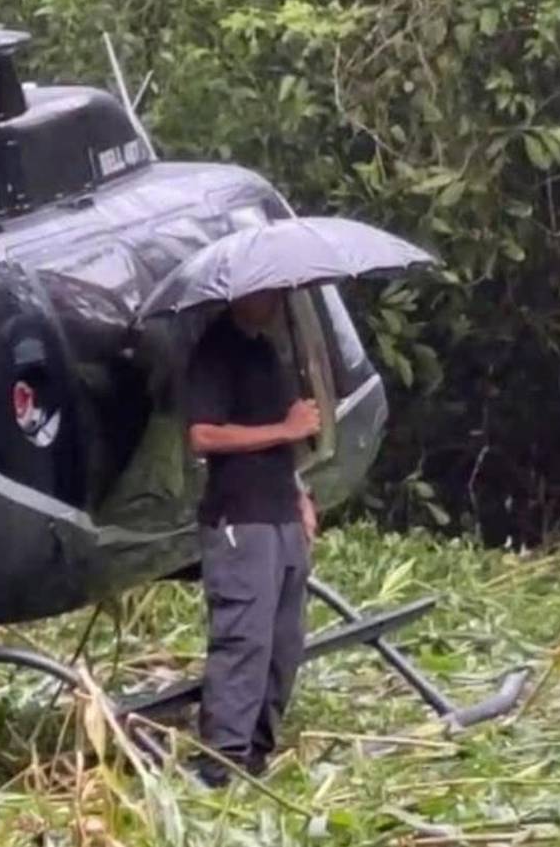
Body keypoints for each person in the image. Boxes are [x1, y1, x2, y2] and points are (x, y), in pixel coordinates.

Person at [185, 289, 320, 788]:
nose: (278, 299)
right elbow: (203, 436)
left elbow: (290, 436)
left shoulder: (266, 351)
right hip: (239, 517)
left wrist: (301, 495)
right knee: (245, 638)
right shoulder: (213, 352)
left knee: (285, 641)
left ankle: (257, 753)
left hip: (280, 511)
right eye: (269, 291)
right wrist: (284, 429)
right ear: (243, 291)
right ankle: (219, 762)